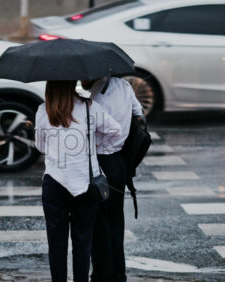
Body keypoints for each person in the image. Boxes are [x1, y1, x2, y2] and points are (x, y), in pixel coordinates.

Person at [35, 80, 122, 282]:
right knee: (83, 242)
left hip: (54, 183)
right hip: (86, 182)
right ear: (71, 85)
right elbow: (115, 131)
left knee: (56, 244)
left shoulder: (43, 110)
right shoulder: (89, 107)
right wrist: (95, 144)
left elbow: (40, 147)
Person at [82, 77, 144, 282]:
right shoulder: (124, 85)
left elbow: (91, 132)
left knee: (99, 225)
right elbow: (139, 113)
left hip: (100, 163)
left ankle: (101, 276)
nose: (81, 79)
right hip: (119, 163)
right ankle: (118, 275)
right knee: (115, 222)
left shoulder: (95, 98)